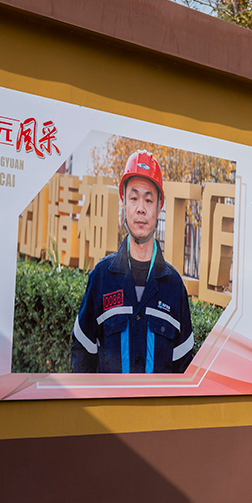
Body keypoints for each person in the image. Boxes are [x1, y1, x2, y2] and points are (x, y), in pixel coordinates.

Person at [71, 150, 195, 374]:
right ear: (124, 204)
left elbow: (184, 368)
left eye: (148, 200)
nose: (141, 208)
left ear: (159, 207)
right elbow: (82, 355)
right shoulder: (101, 277)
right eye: (134, 198)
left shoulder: (174, 286)